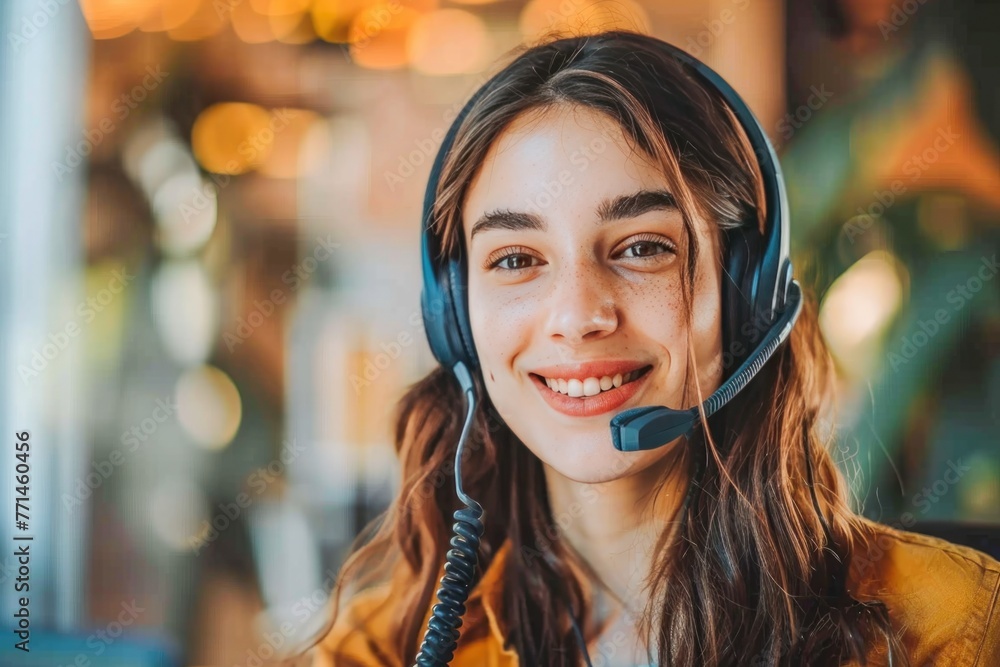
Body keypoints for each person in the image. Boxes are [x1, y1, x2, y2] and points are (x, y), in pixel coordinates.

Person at [308, 30, 1000, 667]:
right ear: (456, 317)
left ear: (746, 294)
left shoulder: (957, 626)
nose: (578, 315)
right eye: (517, 258)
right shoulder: (381, 648)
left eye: (643, 248)